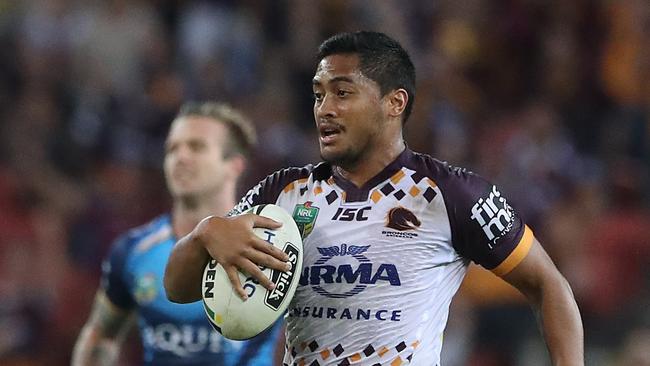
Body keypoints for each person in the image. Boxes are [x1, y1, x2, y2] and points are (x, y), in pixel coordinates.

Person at [164, 32, 584, 366]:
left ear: (394, 103)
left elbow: (548, 285)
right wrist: (206, 234)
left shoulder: (452, 194)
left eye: (342, 93)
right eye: (317, 94)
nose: (324, 108)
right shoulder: (282, 193)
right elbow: (177, 288)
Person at [72, 102, 284, 365]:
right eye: (172, 148)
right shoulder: (134, 251)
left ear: (234, 165)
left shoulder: (273, 243)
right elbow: (101, 335)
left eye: (196, 147)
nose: (180, 157)